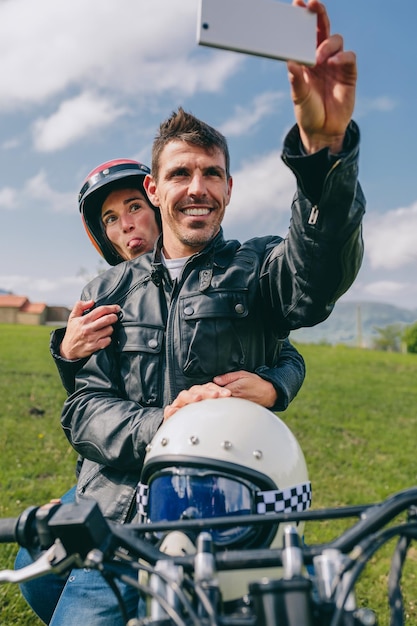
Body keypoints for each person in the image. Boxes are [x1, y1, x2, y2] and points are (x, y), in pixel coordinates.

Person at [27, 0, 365, 622]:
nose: (198, 187)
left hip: (230, 521)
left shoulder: (260, 269)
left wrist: (325, 156)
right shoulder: (107, 289)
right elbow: (83, 407)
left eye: (213, 173)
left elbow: (317, 279)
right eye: (180, 173)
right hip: (121, 527)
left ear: (230, 188)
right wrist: (167, 432)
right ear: (155, 190)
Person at [16, 158, 305, 625]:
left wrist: (274, 384)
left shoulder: (234, 274)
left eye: (133, 206)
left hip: (207, 482)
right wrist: (67, 355)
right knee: (32, 565)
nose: (127, 224)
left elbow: (284, 353)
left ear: (156, 200)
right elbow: (89, 403)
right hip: (117, 482)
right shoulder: (105, 294)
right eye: (111, 218)